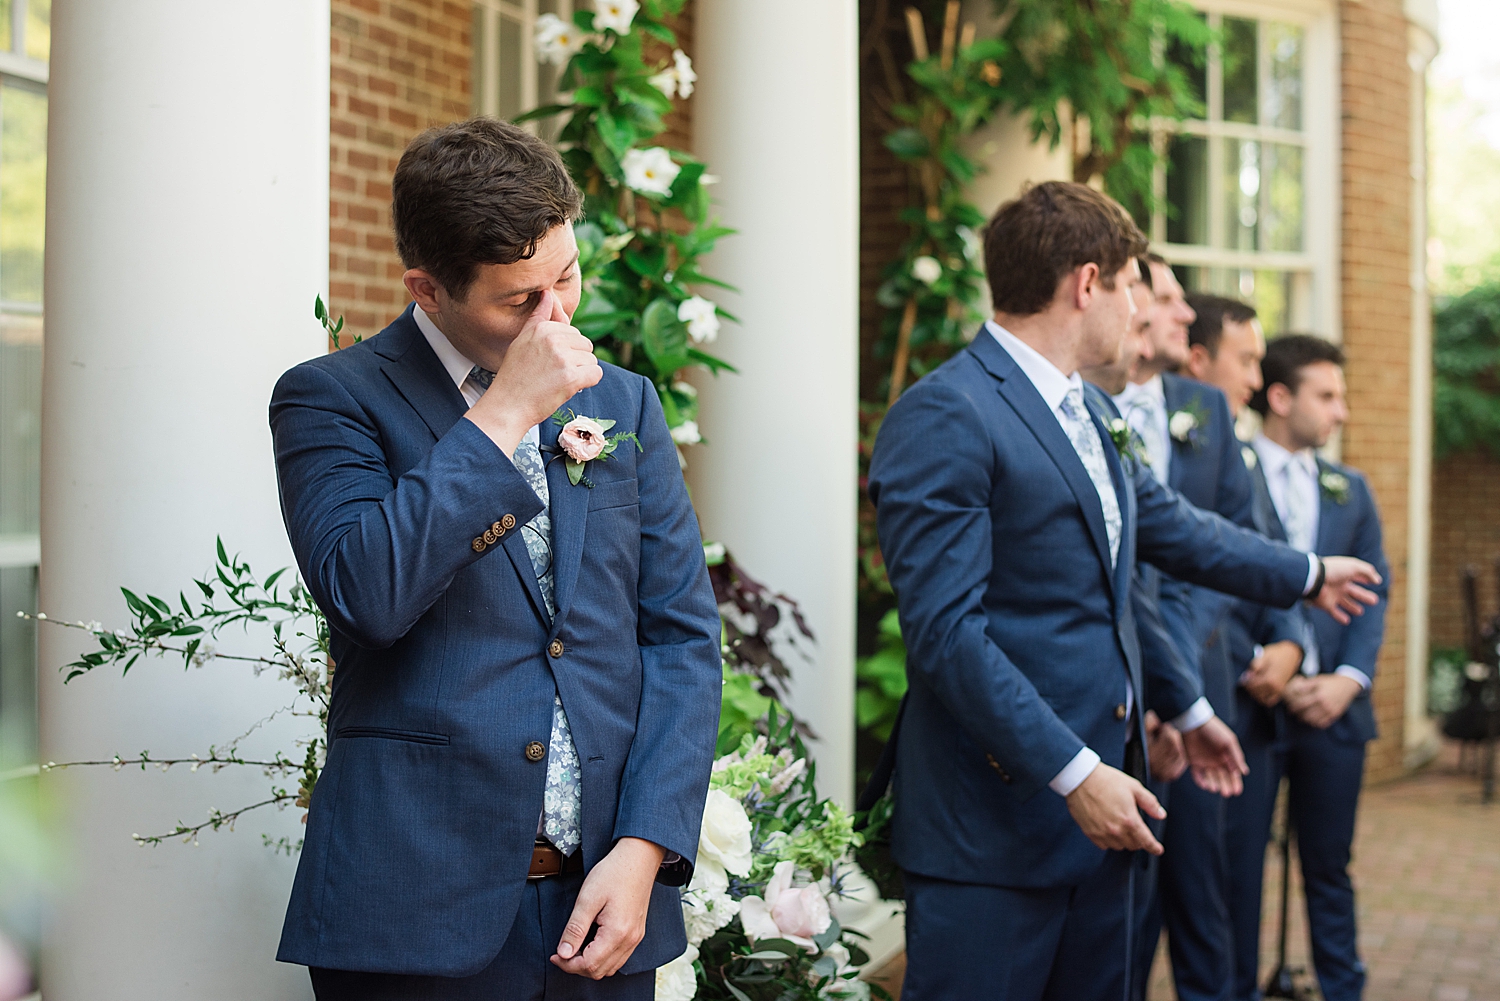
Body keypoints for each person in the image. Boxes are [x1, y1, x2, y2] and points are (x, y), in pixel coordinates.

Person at [866, 181, 1382, 1001]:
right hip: (998, 835)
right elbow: (947, 635)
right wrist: (1076, 773)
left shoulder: (1088, 410)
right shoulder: (947, 413)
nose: (1140, 309)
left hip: (1107, 822)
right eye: (1134, 284)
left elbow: (1159, 547)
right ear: (1087, 283)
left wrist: (1305, 578)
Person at [267, 118, 722, 999]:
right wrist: (503, 413)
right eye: (521, 299)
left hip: (606, 906)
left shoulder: (624, 400)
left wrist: (644, 847)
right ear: (428, 290)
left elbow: (680, 638)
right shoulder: (330, 400)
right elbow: (367, 592)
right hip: (415, 914)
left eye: (568, 276)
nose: (558, 316)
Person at [1226, 335, 1389, 1001]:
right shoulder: (1227, 475)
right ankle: (1233, 986)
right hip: (1249, 707)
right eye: (1327, 396)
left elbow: (1375, 594)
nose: (1340, 412)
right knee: (1237, 870)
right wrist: (1274, 672)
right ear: (1282, 396)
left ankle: (1342, 988)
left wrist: (1348, 680)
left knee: (1330, 865)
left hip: (1334, 711)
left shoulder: (1350, 490)